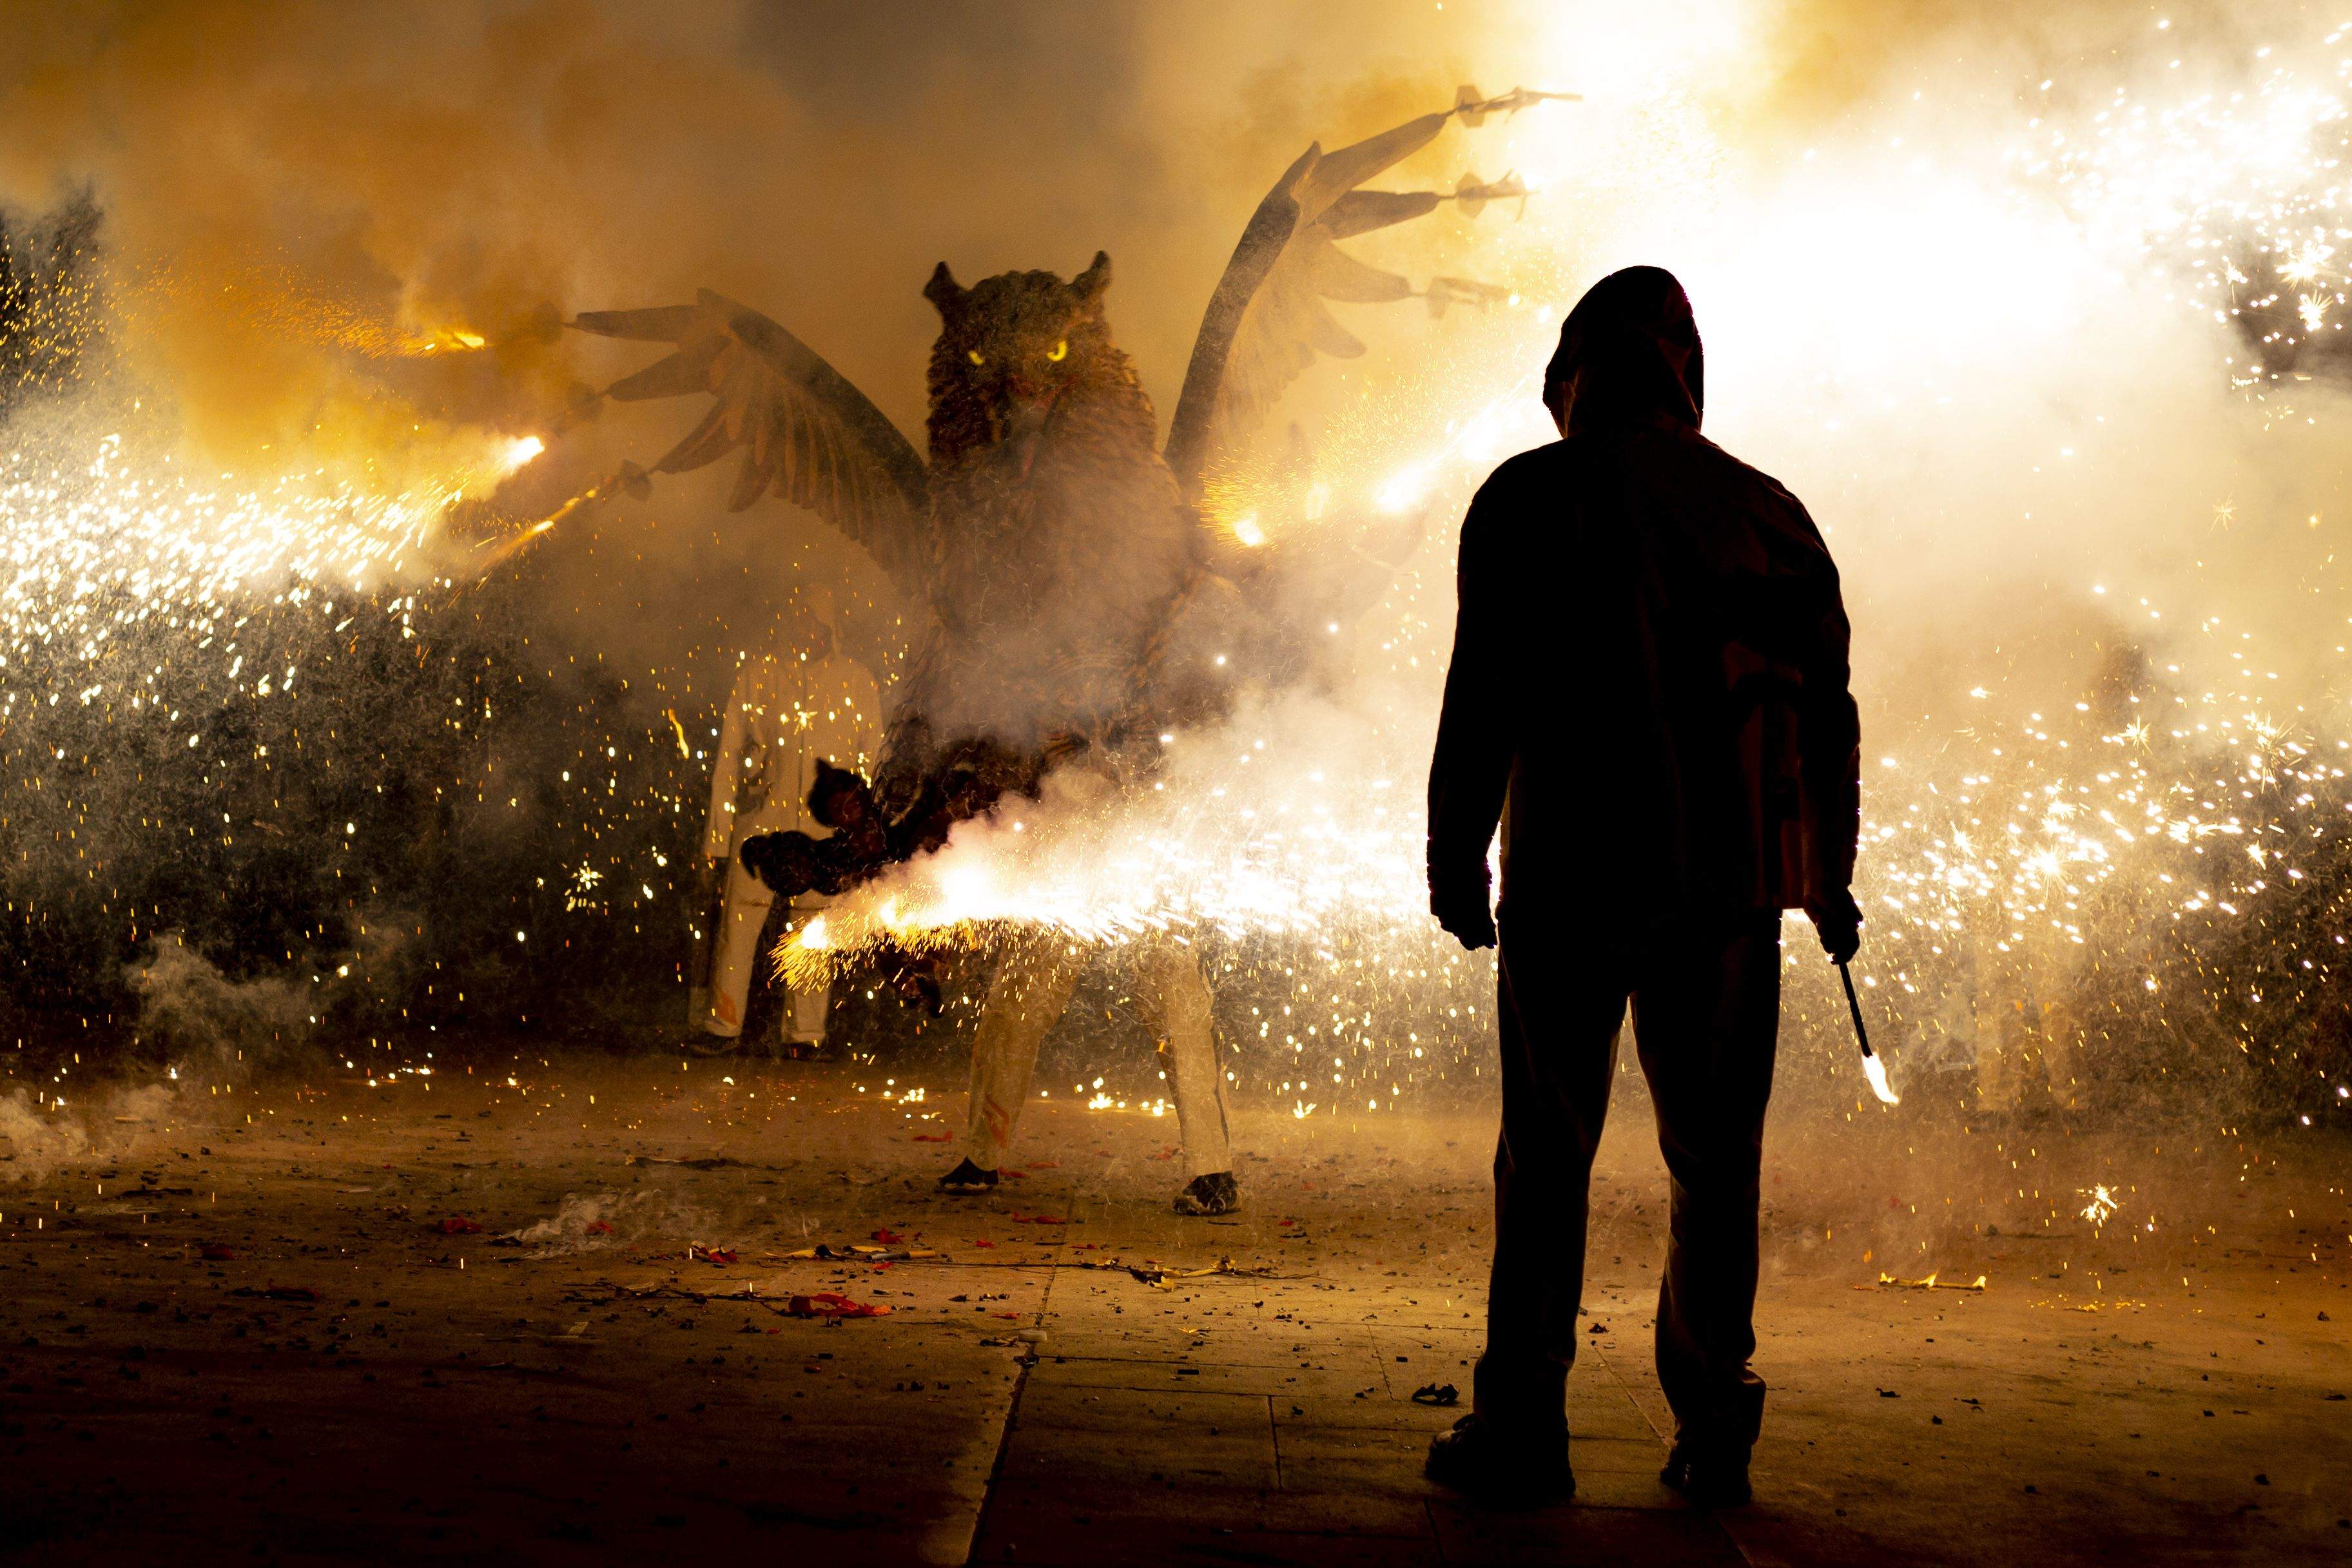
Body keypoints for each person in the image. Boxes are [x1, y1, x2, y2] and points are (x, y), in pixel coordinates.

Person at [1421, 267, 1861, 1507]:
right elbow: (1821, 717)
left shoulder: (1525, 497)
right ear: (1684, 371)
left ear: (1574, 374)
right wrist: (1823, 876)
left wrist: (1455, 853)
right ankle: (1713, 1416)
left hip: (1567, 876)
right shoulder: (1767, 514)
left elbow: (1482, 696)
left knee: (1545, 1157)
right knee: (1715, 1163)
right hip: (1722, 894)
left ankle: (1522, 1427)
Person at [695, 590, 883, 1056]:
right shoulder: (758, 675)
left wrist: (869, 835)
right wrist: (717, 841)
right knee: (738, 929)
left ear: (829, 627)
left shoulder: (856, 680)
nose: (803, 630)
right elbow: (728, 759)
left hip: (824, 833)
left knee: (813, 933)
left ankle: (805, 1036)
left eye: (813, 622)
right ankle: (723, 1027)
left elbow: (876, 760)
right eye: (796, 620)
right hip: (760, 824)